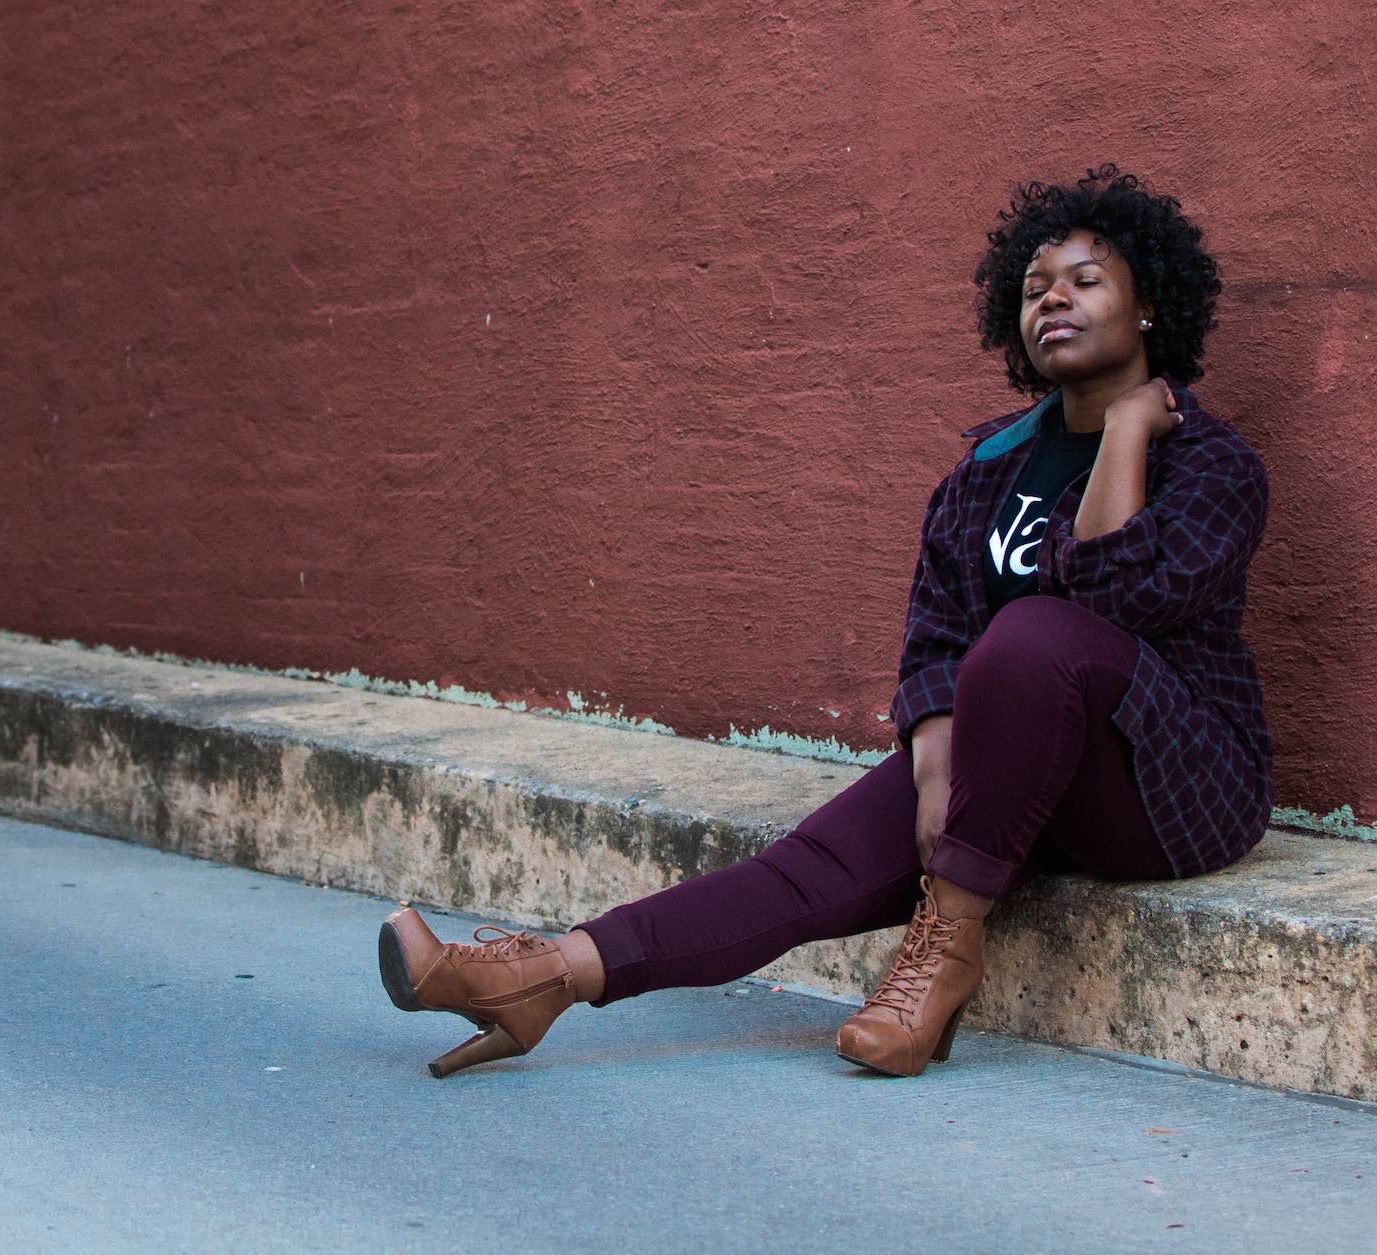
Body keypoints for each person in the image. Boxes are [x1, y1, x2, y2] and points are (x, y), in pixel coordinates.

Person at [378, 162, 1274, 1079]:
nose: (1053, 301)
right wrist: (934, 764)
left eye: (1085, 282)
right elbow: (937, 639)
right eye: (1034, 288)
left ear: (1149, 306)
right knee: (804, 869)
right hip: (1013, 774)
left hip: (1170, 789)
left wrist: (1125, 430)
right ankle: (542, 977)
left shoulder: (1212, 466)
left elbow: (1118, 601)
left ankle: (943, 951)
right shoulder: (986, 471)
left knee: (1036, 632)